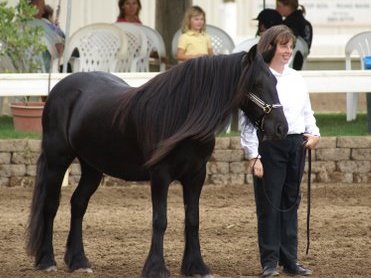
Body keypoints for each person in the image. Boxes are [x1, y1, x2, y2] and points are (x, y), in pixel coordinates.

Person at [240, 25, 320, 277]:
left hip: (296, 145)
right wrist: (253, 155)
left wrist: (314, 132)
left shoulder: (297, 78)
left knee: (290, 204)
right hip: (270, 147)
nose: (289, 50)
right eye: (284, 45)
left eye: (290, 45)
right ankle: (269, 261)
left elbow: (307, 111)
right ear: (271, 46)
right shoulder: (258, 79)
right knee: (269, 206)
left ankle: (290, 259)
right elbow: (247, 121)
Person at [28, 0, 64, 72]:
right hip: (43, 71)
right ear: (35, 7)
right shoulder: (40, 24)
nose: (43, 12)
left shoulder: (16, 26)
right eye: (42, 7)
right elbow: (59, 45)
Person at [276, 0, 312, 70]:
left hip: (288, 67)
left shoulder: (287, 25)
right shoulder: (307, 24)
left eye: (278, 6)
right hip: (303, 66)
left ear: (287, 6)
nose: (276, 9)